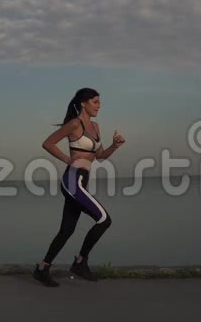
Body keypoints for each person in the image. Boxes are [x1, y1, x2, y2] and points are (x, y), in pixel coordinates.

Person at [33, 87, 126, 287]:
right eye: (95, 102)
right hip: (72, 182)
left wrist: (114, 145)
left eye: (99, 102)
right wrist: (68, 158)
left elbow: (100, 156)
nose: (99, 106)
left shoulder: (96, 127)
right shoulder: (74, 124)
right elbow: (48, 143)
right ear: (83, 103)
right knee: (104, 219)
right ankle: (80, 262)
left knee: (66, 230)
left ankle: (42, 268)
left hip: (82, 182)